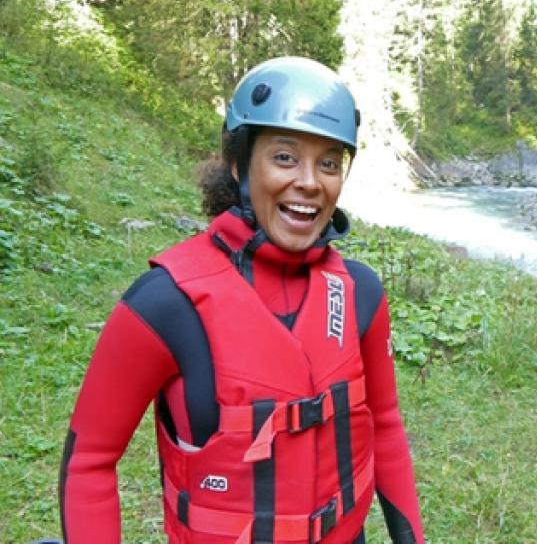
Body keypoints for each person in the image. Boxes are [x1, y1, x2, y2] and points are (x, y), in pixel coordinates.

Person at [59, 57, 424, 544]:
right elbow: (89, 462)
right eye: (285, 157)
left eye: (330, 163)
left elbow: (385, 427)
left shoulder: (361, 294)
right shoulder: (164, 305)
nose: (311, 182)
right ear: (238, 163)